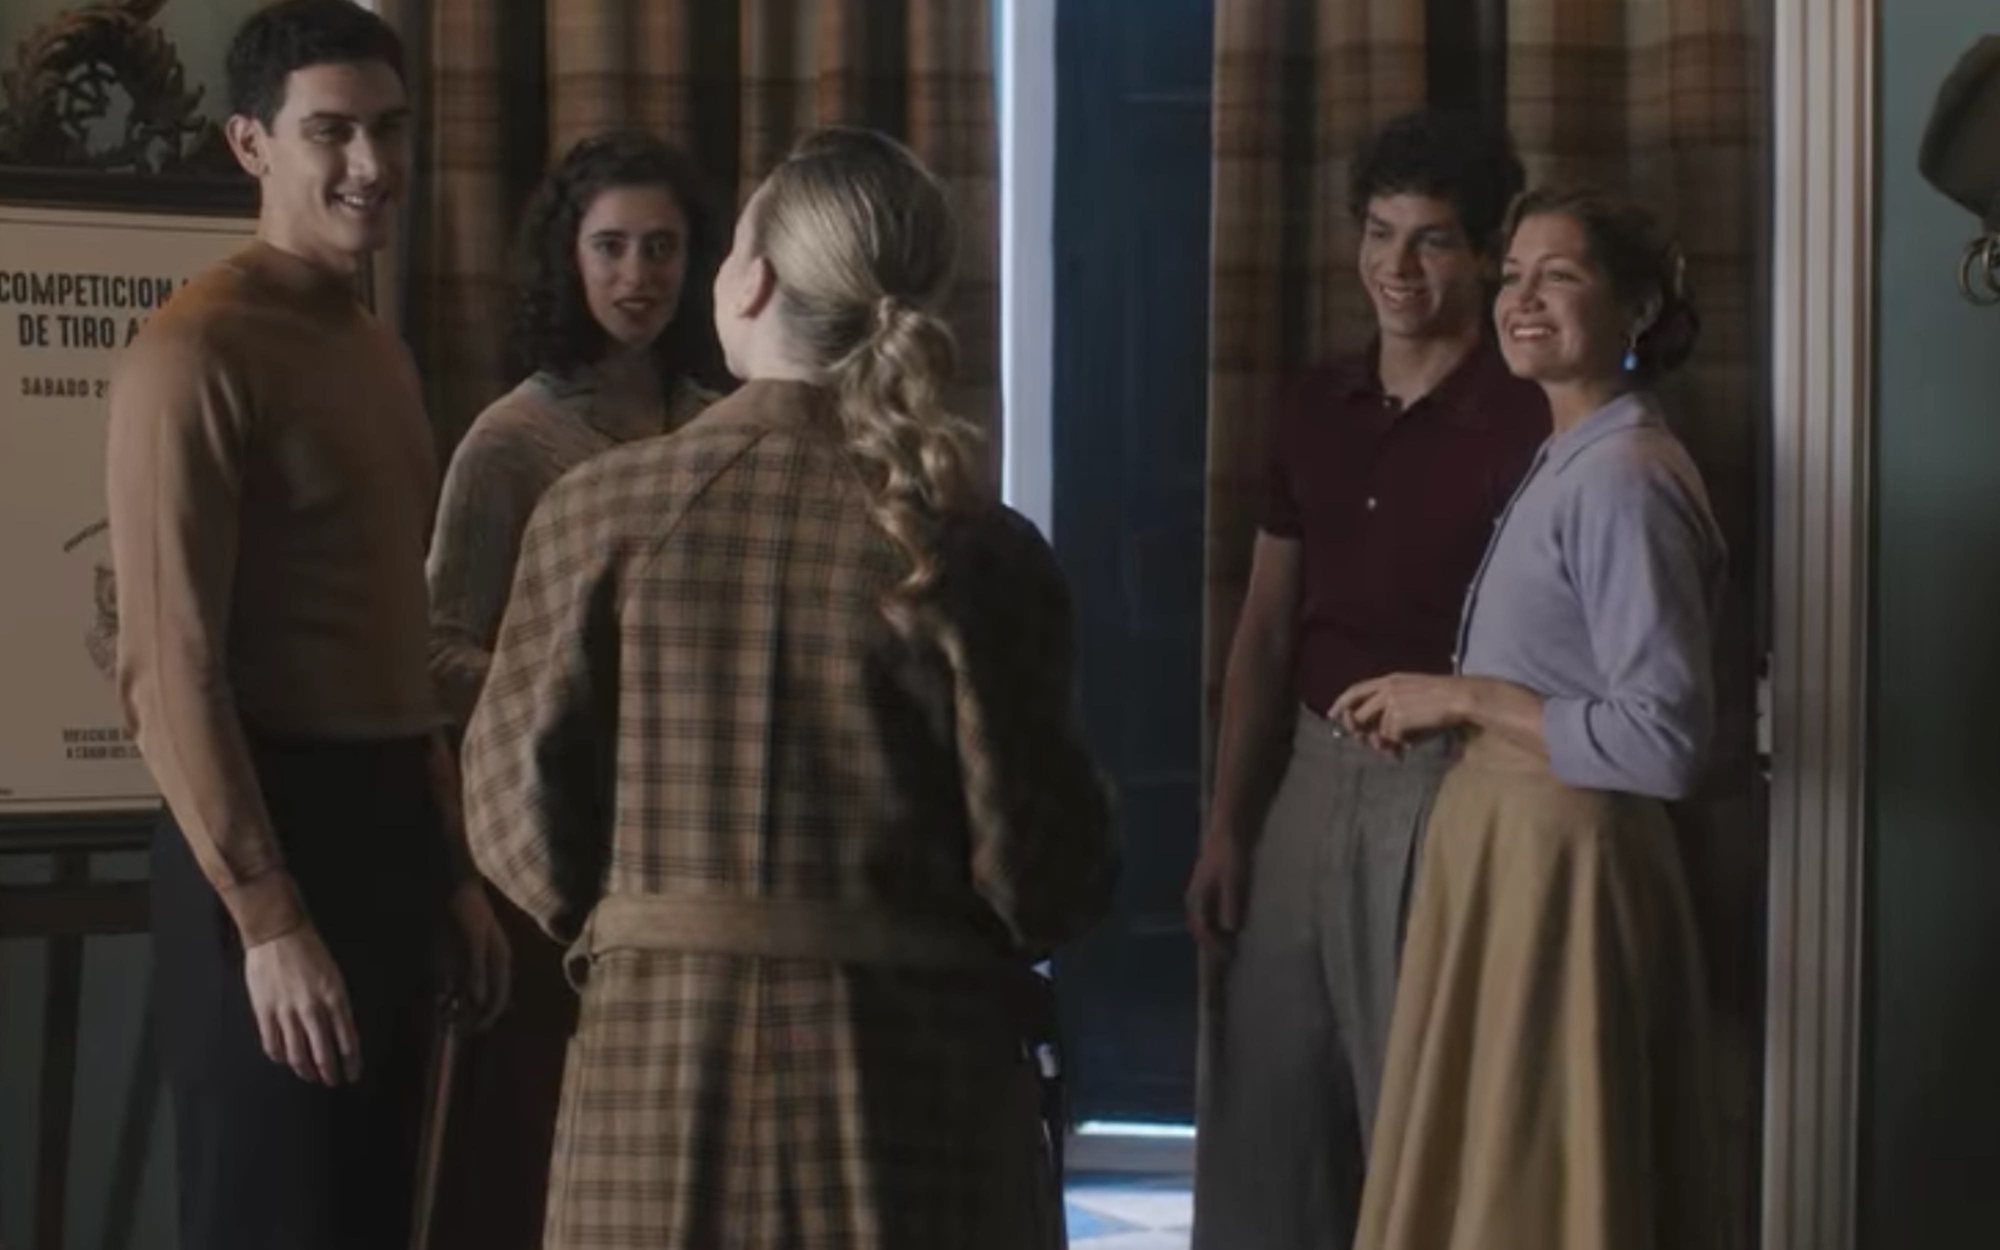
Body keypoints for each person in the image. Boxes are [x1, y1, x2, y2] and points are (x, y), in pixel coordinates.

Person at [461, 126, 1118, 1250]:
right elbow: (1045, 879)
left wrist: (655, 926)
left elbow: (512, 817)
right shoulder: (980, 550)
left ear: (752, 279)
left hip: (656, 1091)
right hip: (912, 1102)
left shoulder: (599, 513)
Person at [104, 3, 508, 1246]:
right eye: (331, 131)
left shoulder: (380, 355)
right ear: (251, 144)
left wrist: (450, 871)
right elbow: (168, 669)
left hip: (391, 834)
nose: (371, 163)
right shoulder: (192, 351)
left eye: (390, 127)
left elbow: (392, 638)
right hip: (269, 841)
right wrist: (268, 917)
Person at [1334, 185, 1724, 1250]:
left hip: (1562, 870)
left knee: (1535, 1185)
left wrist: (1464, 696)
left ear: (1634, 308)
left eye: (1560, 276)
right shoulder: (1575, 456)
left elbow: (1665, 741)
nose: (1522, 299)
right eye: (1512, 276)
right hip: (1512, 858)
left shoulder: (1623, 478)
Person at [1186, 110, 1547, 1250]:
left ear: (1483, 254)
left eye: (1431, 240)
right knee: (1271, 1106)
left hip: (1449, 780)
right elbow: (1264, 627)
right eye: (1379, 233)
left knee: (1419, 1104)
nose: (1397, 267)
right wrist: (1227, 826)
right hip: (1306, 772)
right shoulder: (1315, 404)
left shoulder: (1530, 417)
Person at [421, 128, 725, 1250]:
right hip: (555, 844)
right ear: (570, 258)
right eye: (611, 247)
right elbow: (436, 647)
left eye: (661, 248)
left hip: (694, 839)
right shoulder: (511, 440)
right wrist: (569, 698)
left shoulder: (721, 425)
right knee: (548, 1144)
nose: (638, 275)